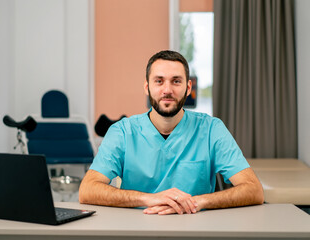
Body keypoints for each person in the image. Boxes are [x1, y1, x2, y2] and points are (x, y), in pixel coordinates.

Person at [79, 50, 264, 215]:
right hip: (136, 229)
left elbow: (254, 190)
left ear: (188, 88)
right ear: (147, 87)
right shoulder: (122, 132)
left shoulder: (211, 129)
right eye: (159, 81)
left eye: (176, 81)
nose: (167, 90)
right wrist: (147, 199)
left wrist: (198, 201)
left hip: (196, 227)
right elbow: (87, 190)